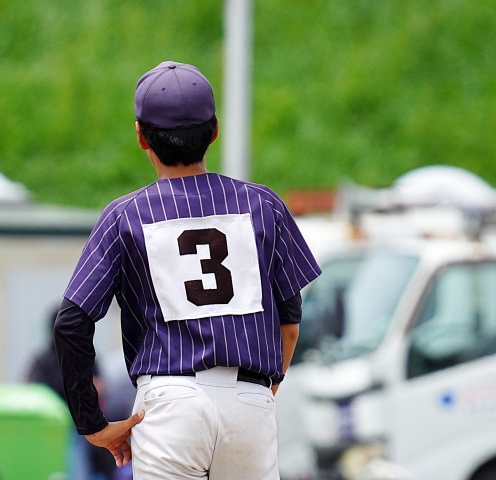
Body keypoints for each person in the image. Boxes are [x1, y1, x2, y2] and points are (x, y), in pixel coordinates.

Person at [53, 60, 322, 479]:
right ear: (214, 130)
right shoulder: (264, 205)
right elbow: (290, 322)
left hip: (169, 399)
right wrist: (261, 390)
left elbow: (71, 323)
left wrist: (94, 425)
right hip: (249, 399)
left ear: (141, 136)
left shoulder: (126, 216)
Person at [26, 307, 116, 480]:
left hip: (85, 422)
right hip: (55, 427)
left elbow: (100, 386)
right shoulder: (44, 361)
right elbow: (35, 392)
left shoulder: (85, 355)